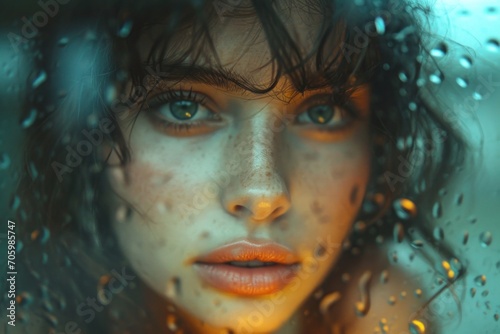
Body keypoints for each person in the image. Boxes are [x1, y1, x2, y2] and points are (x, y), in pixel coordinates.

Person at [11, 0, 467, 333]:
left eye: (321, 113)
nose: (263, 193)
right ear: (91, 138)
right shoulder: (25, 310)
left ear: (377, 149)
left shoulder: (373, 308)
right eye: (184, 108)